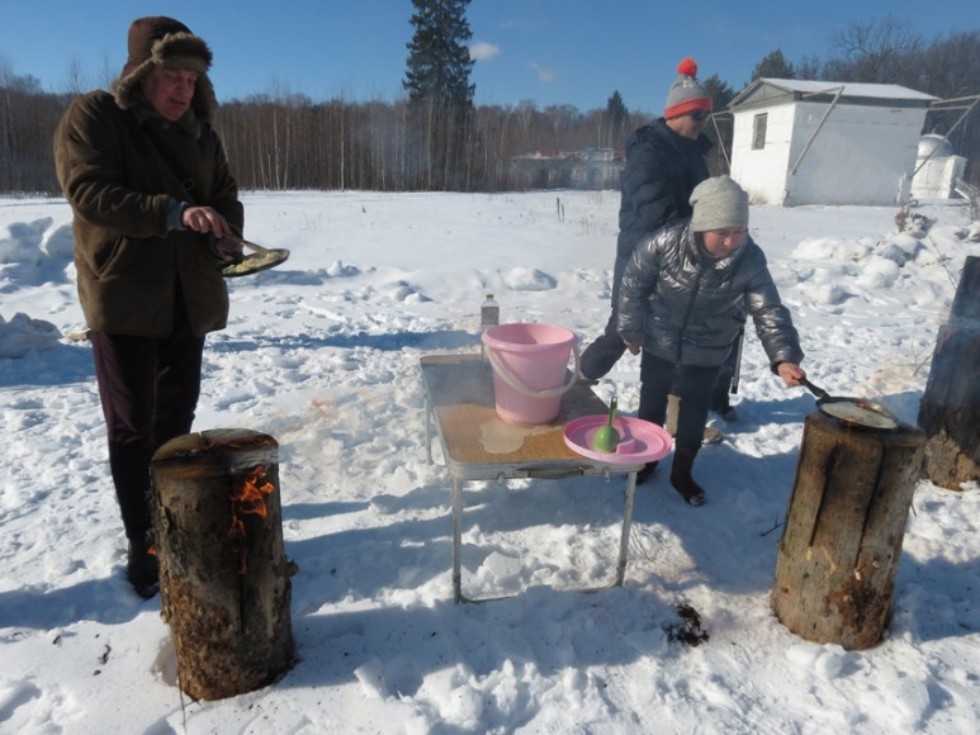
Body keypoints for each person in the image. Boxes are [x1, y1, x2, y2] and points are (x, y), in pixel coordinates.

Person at [53, 17, 244, 597]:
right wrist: (172, 213)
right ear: (141, 72)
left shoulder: (201, 133)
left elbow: (224, 195)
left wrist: (225, 234)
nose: (183, 89)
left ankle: (174, 513)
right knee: (134, 426)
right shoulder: (95, 116)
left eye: (192, 78)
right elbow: (88, 191)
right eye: (172, 75)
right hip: (125, 297)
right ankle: (145, 540)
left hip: (190, 296)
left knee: (175, 420)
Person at [617, 176, 806, 506]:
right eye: (723, 233)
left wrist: (784, 357)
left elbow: (769, 308)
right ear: (702, 226)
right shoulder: (663, 243)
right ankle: (645, 463)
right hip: (660, 339)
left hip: (709, 349)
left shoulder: (750, 260)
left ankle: (682, 472)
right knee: (651, 405)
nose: (732, 241)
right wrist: (631, 330)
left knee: (693, 413)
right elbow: (633, 284)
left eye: (739, 231)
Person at [579, 57, 713, 382]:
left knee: (686, 337)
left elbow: (706, 203)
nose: (703, 122)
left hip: (684, 263)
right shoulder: (647, 154)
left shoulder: (694, 154)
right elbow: (658, 214)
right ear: (677, 113)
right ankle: (580, 377)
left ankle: (683, 412)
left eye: (706, 114)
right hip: (643, 263)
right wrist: (701, 236)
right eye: (698, 114)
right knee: (621, 334)